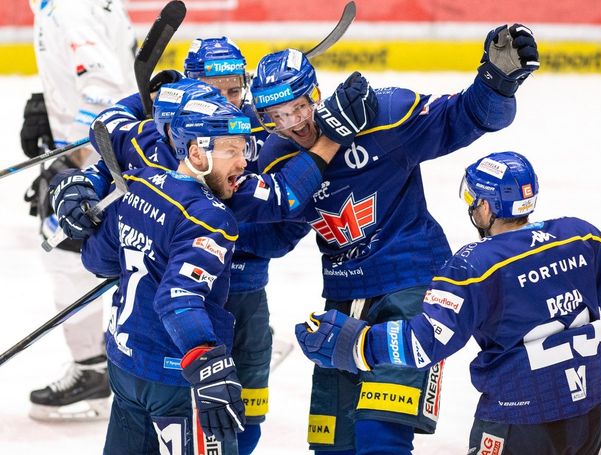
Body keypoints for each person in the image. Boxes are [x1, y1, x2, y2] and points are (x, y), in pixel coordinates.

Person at [253, 24, 539, 453]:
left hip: (411, 285)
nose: (292, 124)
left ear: (314, 93)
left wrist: (496, 84)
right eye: (277, 117)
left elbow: (462, 118)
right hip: (344, 299)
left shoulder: (380, 114)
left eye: (297, 107)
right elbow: (275, 238)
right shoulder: (277, 160)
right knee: (334, 445)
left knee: (380, 438)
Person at [295, 151, 601, 455]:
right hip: (586, 418)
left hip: (518, 421)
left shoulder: (474, 265)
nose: (472, 208)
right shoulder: (580, 236)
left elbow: (424, 343)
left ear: (487, 207)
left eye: (474, 200)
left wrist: (353, 342)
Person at [64, 90, 358, 454]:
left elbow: (98, 261)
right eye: (231, 152)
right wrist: (207, 366)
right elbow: (179, 299)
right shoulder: (211, 217)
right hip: (177, 378)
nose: (243, 163)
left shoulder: (138, 183)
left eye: (244, 149)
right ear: (197, 152)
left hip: (126, 367)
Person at [184, 37, 312, 454]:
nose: (226, 101)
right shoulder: (177, 136)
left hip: (248, 293)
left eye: (234, 90)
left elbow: (282, 219)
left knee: (247, 417)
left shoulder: (264, 130)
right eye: (212, 90)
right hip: (195, 297)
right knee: (195, 423)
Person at [19, 0, 137, 420]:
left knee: (70, 259)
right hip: (108, 155)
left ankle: (92, 370)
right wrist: (47, 101)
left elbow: (104, 90)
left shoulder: (69, 8)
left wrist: (71, 162)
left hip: (99, 163)